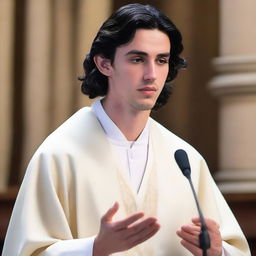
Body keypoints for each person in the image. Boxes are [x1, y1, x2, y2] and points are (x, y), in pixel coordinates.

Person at [2, 3, 251, 256]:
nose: (151, 74)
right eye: (137, 59)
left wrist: (218, 252)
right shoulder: (59, 156)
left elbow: (234, 249)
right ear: (104, 64)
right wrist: (94, 248)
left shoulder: (185, 159)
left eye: (162, 60)